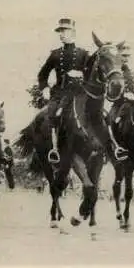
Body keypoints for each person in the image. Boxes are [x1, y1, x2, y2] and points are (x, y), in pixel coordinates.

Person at [37, 18, 90, 164]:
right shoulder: (55, 54)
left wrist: (81, 75)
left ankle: (107, 146)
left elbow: (91, 75)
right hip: (60, 93)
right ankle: (54, 149)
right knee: (52, 114)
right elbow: (42, 75)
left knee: (98, 112)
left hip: (79, 92)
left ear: (73, 32)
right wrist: (45, 88)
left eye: (64, 30)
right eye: (60, 31)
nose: (61, 34)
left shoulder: (83, 54)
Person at [106, 42, 134, 160]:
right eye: (123, 56)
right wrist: (124, 95)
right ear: (118, 57)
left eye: (128, 56)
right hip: (120, 106)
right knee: (109, 122)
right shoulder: (114, 74)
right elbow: (109, 95)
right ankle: (117, 148)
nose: (126, 59)